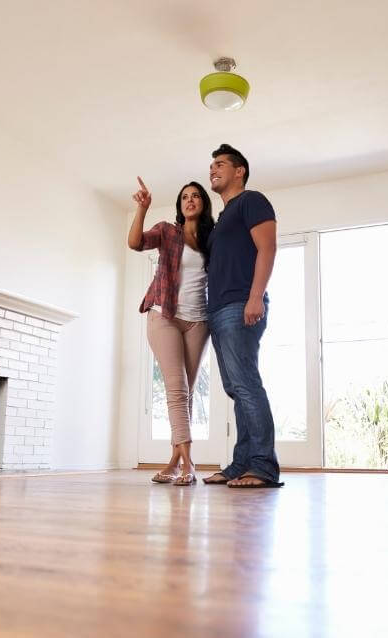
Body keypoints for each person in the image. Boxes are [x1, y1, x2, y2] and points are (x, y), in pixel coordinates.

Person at [201, 144, 283, 488]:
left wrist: (254, 298)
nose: (212, 169)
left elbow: (268, 247)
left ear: (240, 171)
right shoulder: (222, 219)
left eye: (220, 164)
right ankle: (240, 464)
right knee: (236, 388)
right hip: (219, 310)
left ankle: (263, 466)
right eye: (211, 165)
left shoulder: (251, 201)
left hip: (240, 305)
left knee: (246, 385)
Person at [128, 177, 214, 486]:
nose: (190, 200)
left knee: (187, 393)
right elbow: (136, 243)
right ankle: (189, 463)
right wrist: (142, 208)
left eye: (195, 196)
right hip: (164, 315)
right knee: (177, 390)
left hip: (198, 321)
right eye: (184, 197)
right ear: (180, 205)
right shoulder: (167, 231)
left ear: (203, 203)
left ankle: (175, 461)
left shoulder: (211, 239)